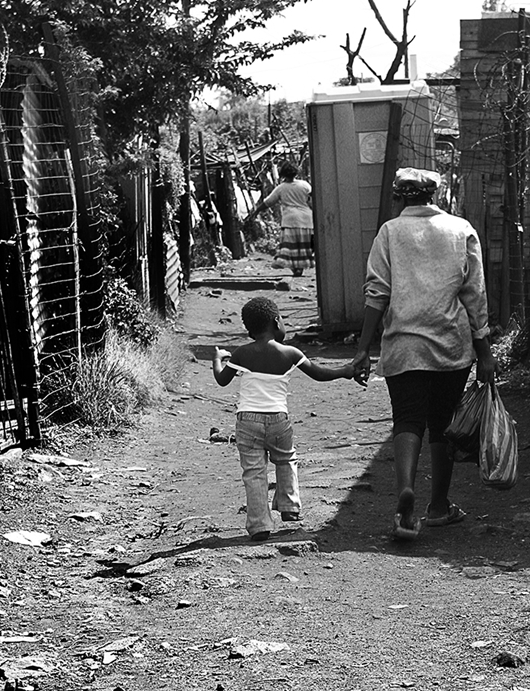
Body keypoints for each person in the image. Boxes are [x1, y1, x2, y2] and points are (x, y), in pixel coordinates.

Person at [352, 167, 498, 542]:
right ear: (434, 196)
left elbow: (377, 292)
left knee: (407, 420)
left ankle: (405, 500)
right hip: (451, 343)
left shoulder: (389, 232)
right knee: (443, 423)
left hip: (403, 344)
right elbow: (474, 295)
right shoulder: (460, 229)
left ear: (400, 197)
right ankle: (438, 506)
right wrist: (484, 352)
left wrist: (363, 348)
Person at [213, 297, 354, 542]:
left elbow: (222, 380)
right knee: (286, 459)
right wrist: (346, 371)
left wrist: (217, 360)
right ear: (277, 321)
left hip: (247, 420)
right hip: (278, 418)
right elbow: (319, 374)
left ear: (250, 329)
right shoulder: (290, 353)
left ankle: (259, 526)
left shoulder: (242, 353)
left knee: (254, 472)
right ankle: (289, 505)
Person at [246, 161, 314, 277]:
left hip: (290, 220)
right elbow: (312, 200)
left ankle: (295, 268)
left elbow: (268, 202)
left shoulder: (281, 188)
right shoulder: (305, 185)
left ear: (283, 174)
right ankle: (300, 267)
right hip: (306, 219)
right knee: (304, 245)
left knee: (291, 246)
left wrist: (256, 211)